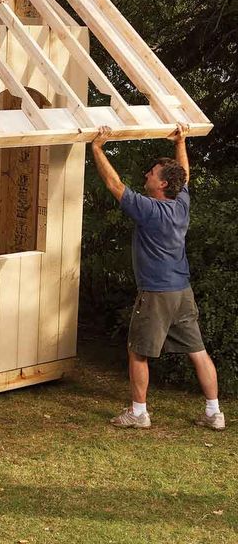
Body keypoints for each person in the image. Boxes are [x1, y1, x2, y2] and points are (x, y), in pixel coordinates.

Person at [91, 123, 225, 431]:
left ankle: (139, 413)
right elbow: (185, 175)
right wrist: (182, 142)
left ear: (162, 185)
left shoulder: (150, 209)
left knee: (137, 351)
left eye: (152, 173)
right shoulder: (181, 203)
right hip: (182, 290)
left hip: (156, 293)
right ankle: (214, 412)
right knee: (198, 350)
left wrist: (98, 148)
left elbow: (114, 185)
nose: (147, 176)